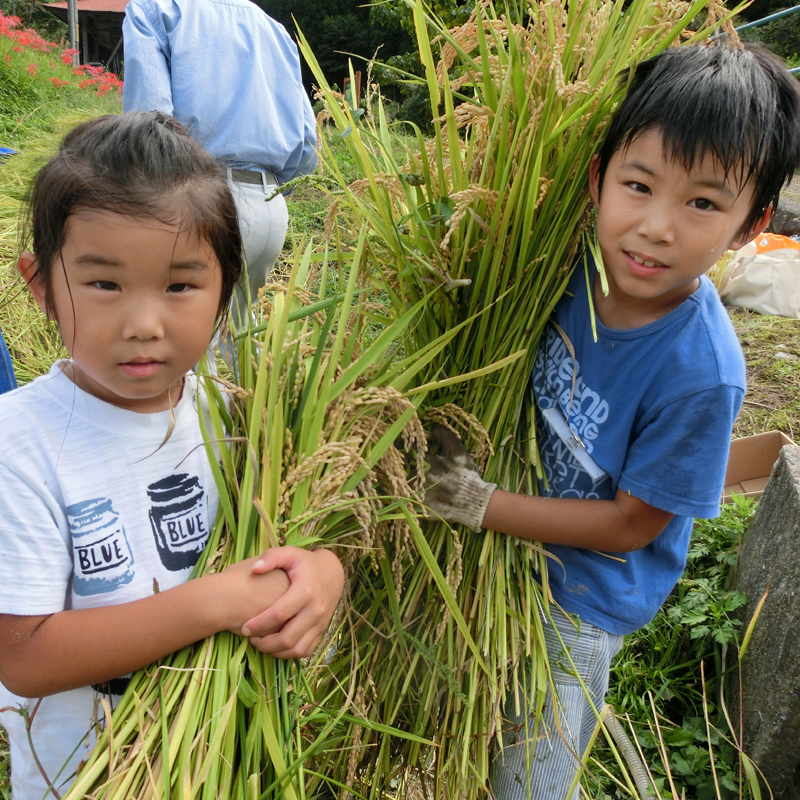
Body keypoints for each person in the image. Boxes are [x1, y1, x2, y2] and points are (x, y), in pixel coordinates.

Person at [424, 43, 800, 799]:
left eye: (702, 202)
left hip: (583, 600)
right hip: (495, 562)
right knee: (450, 726)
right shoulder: (552, 269)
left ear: (749, 224)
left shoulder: (701, 371)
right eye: (639, 184)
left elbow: (634, 525)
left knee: (527, 776)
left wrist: (483, 505)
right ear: (598, 179)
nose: (656, 227)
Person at [0, 112, 344, 800]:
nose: (143, 324)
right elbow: (25, 659)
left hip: (228, 769)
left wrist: (323, 573)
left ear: (225, 293)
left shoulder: (240, 412)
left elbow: (287, 546)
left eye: (180, 285)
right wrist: (211, 604)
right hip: (86, 783)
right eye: (104, 284)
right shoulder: (20, 443)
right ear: (41, 285)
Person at [122, 0, 319, 333]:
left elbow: (149, 126)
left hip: (196, 201)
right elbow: (308, 145)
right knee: (242, 338)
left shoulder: (155, 10)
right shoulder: (275, 30)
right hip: (270, 203)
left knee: (188, 349)